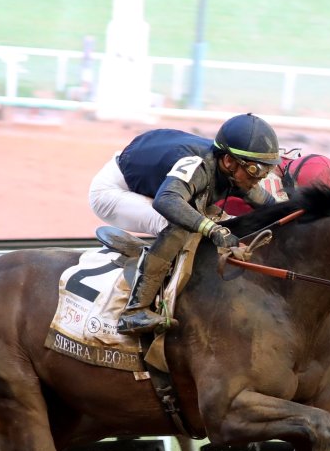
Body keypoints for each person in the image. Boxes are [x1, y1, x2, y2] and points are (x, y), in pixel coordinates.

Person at [88, 113, 281, 334]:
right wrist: (211, 228)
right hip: (113, 191)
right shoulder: (199, 165)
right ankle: (134, 311)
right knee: (181, 225)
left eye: (267, 170)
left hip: (154, 184)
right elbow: (167, 201)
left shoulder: (231, 167)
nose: (261, 178)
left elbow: (267, 204)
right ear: (229, 161)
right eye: (256, 170)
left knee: (218, 221)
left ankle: (156, 263)